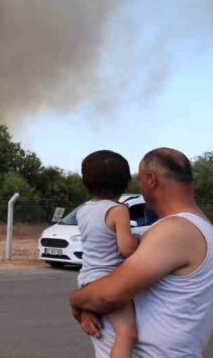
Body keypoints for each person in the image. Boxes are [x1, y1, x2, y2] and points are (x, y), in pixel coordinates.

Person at [70, 148, 213, 358]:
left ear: (151, 180)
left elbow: (107, 295)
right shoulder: (178, 229)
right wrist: (91, 303)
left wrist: (78, 301)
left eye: (140, 180)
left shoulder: (176, 231)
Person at [75, 151, 140, 358]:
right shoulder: (118, 210)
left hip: (87, 280)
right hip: (109, 282)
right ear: (126, 182)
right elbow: (126, 249)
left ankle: (89, 309)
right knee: (127, 334)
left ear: (85, 182)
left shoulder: (82, 210)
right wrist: (139, 240)